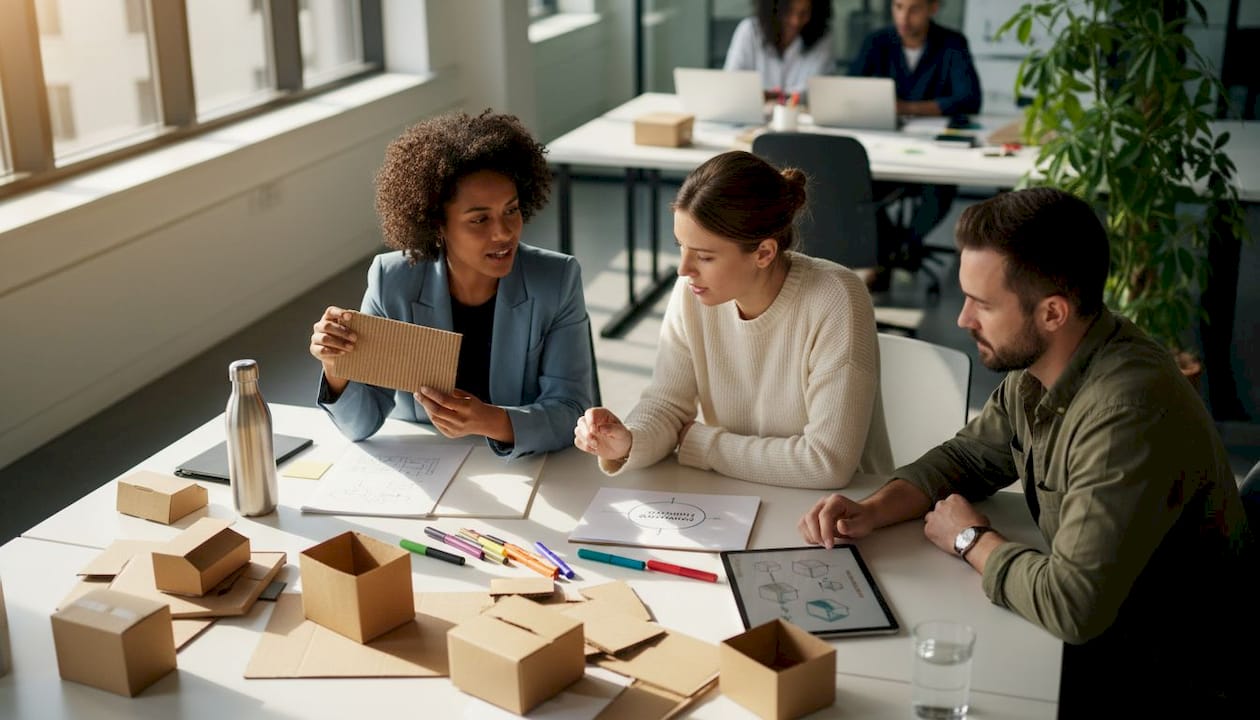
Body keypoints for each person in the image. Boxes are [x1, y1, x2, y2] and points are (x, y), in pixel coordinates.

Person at [798, 188, 1252, 714]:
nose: (963, 318)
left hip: (1167, 672)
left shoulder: (1126, 412)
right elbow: (968, 458)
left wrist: (970, 538)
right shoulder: (1044, 369)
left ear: (1053, 313)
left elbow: (1072, 604)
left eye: (983, 304)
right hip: (1109, 632)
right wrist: (873, 509)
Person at [573, 151, 893, 488]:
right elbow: (667, 405)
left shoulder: (836, 298)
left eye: (705, 256)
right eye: (681, 247)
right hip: (737, 493)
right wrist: (628, 440)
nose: (684, 269)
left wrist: (702, 444)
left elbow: (826, 463)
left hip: (839, 512)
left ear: (764, 253)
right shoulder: (693, 291)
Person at [310, 110, 593, 459]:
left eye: (511, 210)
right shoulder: (392, 281)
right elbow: (360, 425)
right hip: (427, 470)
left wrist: (489, 420)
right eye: (479, 219)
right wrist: (336, 367)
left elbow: (574, 411)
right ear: (438, 224)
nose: (503, 233)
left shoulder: (557, 280)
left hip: (525, 469)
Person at [851, 0, 982, 290]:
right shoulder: (878, 41)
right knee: (860, 186)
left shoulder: (951, 43)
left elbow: (969, 98)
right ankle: (891, 251)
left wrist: (904, 107)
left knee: (941, 186)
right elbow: (851, 91)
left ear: (933, 8)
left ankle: (900, 248)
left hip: (933, 152)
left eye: (914, 9)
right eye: (898, 7)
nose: (904, 17)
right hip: (884, 148)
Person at [724, 0, 834, 99]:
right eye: (789, 11)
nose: (795, 21)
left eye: (804, 13)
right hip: (751, 117)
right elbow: (731, 84)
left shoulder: (821, 38)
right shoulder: (750, 31)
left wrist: (771, 97)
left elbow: (819, 92)